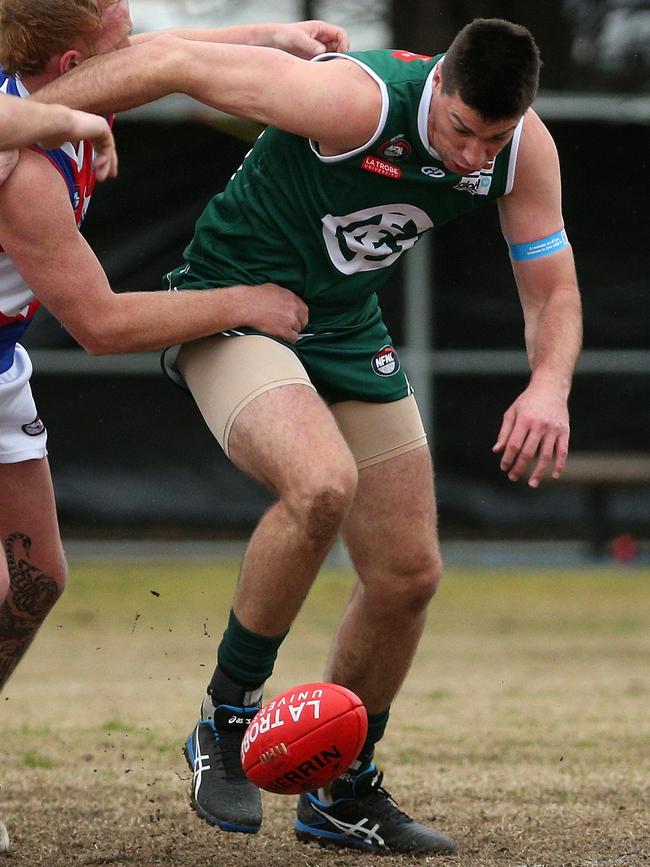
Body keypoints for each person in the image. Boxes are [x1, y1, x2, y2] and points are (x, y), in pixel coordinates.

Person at [32, 17, 583, 856]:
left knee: (408, 575)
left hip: (343, 324)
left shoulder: (522, 150)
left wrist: (548, 386)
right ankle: (224, 722)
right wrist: (29, 124)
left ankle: (341, 787)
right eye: (461, 131)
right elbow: (174, 61)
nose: (473, 156)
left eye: (493, 138)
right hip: (230, 300)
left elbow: (551, 290)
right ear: (439, 85)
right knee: (321, 483)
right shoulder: (350, 103)